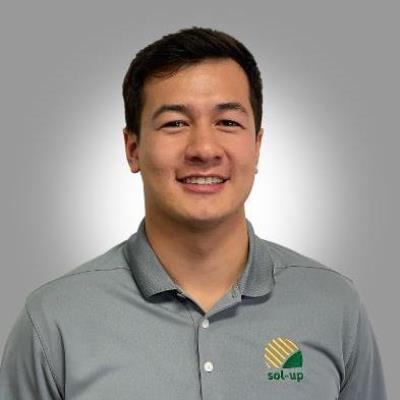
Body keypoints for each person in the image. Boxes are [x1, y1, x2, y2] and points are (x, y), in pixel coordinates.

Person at [0, 27, 386, 400]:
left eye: (228, 122)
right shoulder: (53, 321)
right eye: (175, 123)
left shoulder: (335, 307)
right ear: (133, 149)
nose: (204, 149)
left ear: (257, 146)